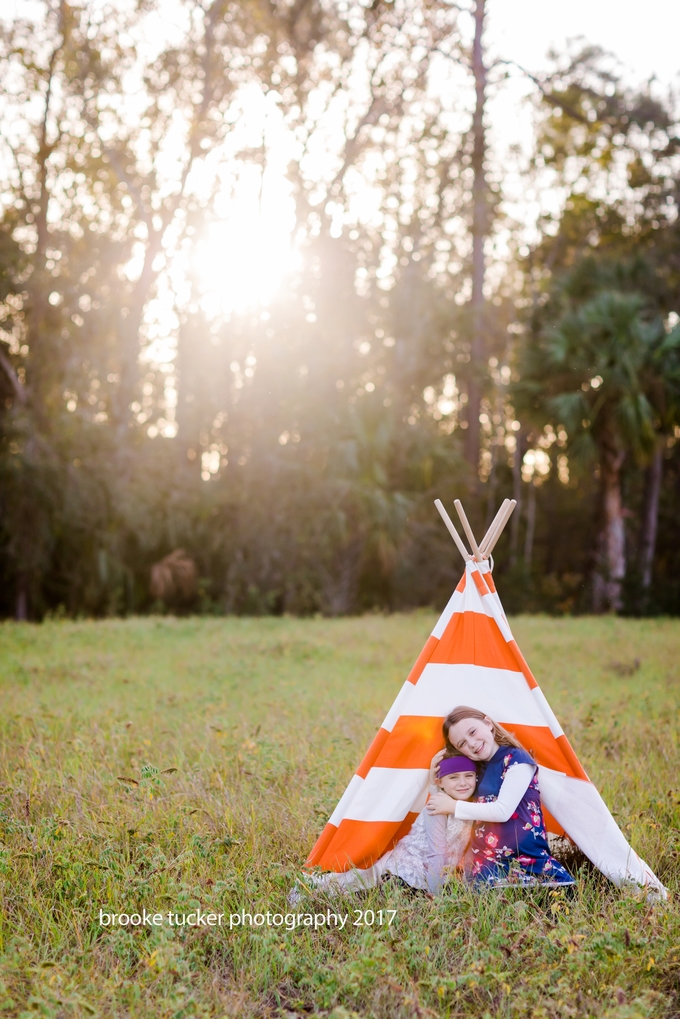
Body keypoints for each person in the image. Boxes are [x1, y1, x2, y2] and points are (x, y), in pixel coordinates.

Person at [426, 705, 575, 888]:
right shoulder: (474, 772)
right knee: (496, 900)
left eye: (473, 732)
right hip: (488, 863)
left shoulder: (517, 760)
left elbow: (502, 811)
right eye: (462, 744)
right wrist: (435, 781)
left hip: (530, 859)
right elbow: (447, 794)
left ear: (488, 723)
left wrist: (453, 806)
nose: (471, 743)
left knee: (564, 892)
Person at [305, 752, 478, 895]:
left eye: (468, 776)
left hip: (439, 873)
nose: (463, 782)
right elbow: (437, 854)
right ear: (440, 782)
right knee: (392, 900)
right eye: (454, 777)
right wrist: (437, 897)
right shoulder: (437, 806)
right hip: (409, 869)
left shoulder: (472, 807)